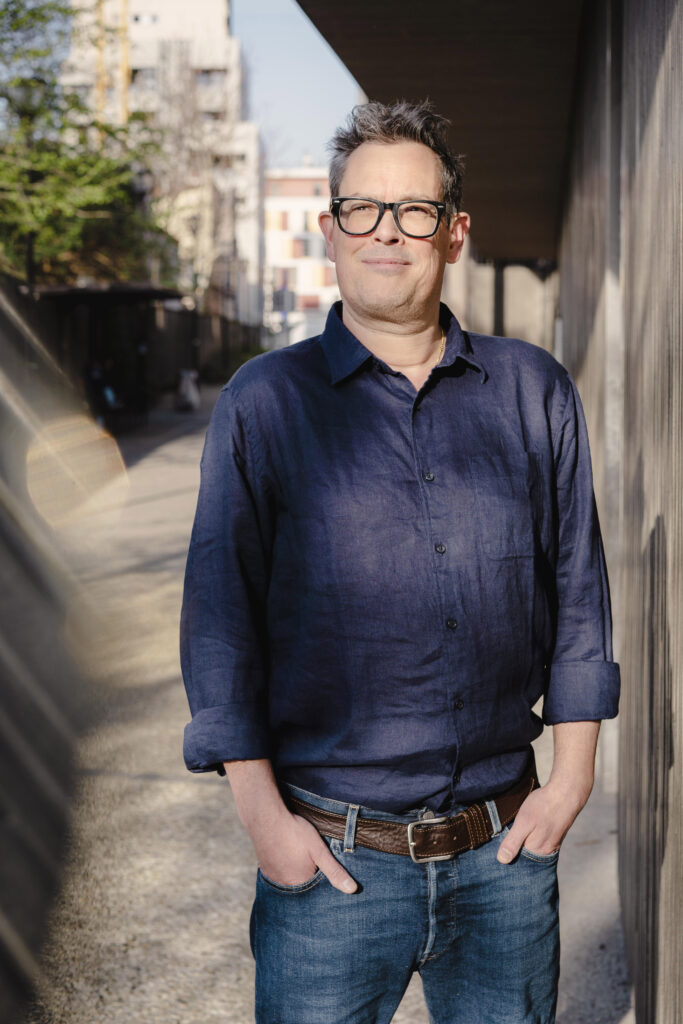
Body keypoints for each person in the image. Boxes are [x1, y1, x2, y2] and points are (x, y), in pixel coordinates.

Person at [180, 100, 620, 1024]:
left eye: (414, 211)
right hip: (330, 866)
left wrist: (572, 779)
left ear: (454, 233)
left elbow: (577, 589)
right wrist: (266, 824)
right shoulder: (264, 402)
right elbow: (219, 621)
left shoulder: (532, 391)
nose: (388, 231)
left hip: (502, 860)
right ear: (329, 230)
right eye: (363, 210)